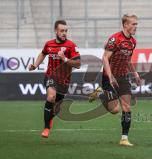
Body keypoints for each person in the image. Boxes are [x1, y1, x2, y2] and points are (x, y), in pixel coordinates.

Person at [89, 14, 141, 146]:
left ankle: (124, 138)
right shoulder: (115, 39)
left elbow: (127, 60)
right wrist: (110, 76)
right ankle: (100, 93)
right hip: (109, 77)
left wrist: (135, 73)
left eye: (136, 24)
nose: (136, 26)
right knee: (115, 110)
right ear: (125, 25)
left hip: (123, 77)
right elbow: (105, 58)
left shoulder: (133, 42)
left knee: (127, 107)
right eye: (133, 24)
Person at [28, 20, 81, 138]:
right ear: (56, 31)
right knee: (51, 97)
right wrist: (35, 65)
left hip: (64, 80)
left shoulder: (71, 45)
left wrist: (64, 58)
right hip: (50, 76)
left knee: (57, 109)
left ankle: (50, 118)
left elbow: (78, 64)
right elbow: (43, 53)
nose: (64, 33)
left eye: (66, 31)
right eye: (62, 31)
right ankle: (46, 128)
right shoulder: (49, 44)